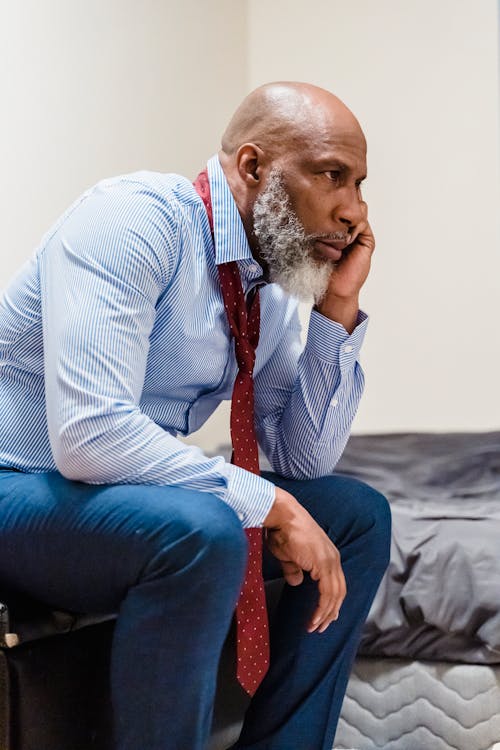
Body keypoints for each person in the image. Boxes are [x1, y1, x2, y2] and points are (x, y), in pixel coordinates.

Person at [0, 81, 391, 750]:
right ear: (253, 166)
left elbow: (302, 460)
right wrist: (272, 506)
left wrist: (337, 308)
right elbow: (90, 436)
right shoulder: (133, 221)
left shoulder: (256, 288)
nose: (354, 211)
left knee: (356, 514)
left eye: (358, 184)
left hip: (110, 499)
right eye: (333, 176)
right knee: (205, 527)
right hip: (19, 486)